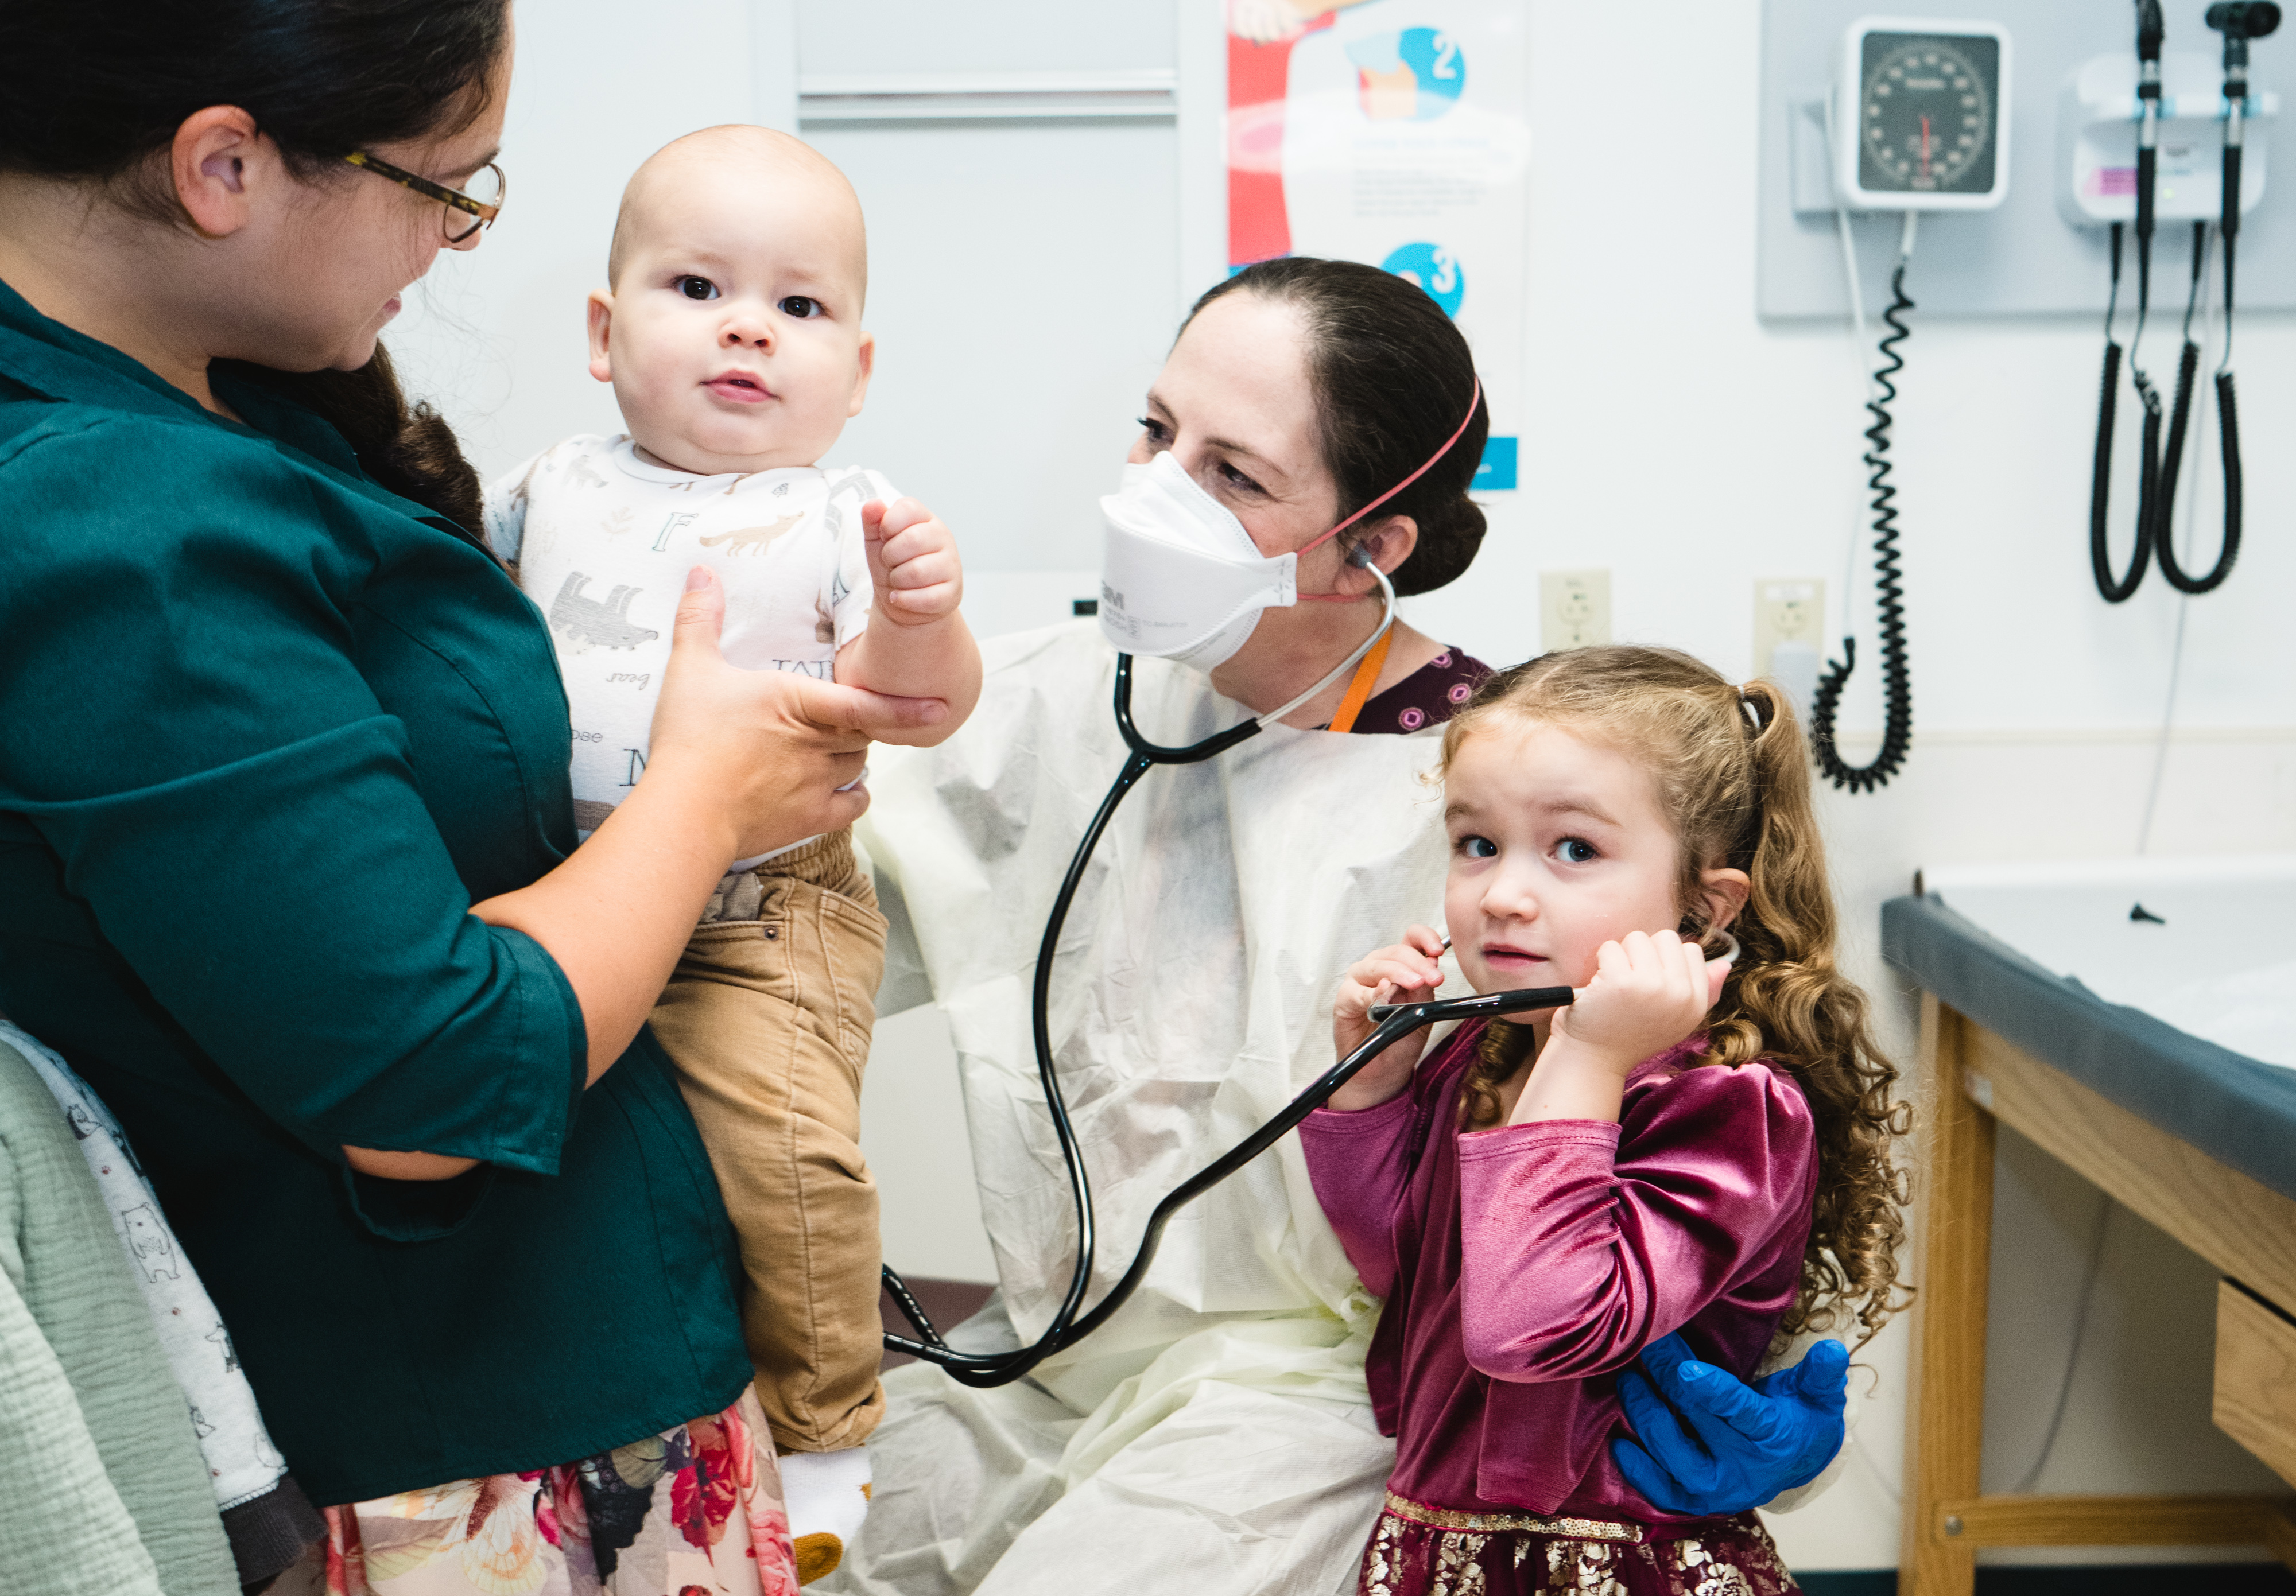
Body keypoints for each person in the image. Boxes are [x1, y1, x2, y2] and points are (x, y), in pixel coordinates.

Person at [0, 5, 940, 1593]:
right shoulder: (113, 526)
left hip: (585, 1335)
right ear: (222, 165)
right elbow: (424, 1083)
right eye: (450, 184)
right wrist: (703, 799)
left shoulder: (230, 394)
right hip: (458, 1429)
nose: (452, 241)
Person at [825, 258, 1853, 1596]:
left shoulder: (1493, 804)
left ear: (1369, 543)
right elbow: (808, 913)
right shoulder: (1053, 698)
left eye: (1232, 475)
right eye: (1155, 430)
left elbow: (1654, 1156)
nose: (1154, 492)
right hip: (1046, 1359)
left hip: (1324, 1404)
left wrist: (1744, 1380)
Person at [486, 123, 982, 1582]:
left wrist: (917, 608)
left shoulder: (841, 513)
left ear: (857, 370)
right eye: (696, 286)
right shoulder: (542, 486)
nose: (748, 327)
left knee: (781, 1151)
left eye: (801, 307)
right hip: (575, 885)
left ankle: (831, 1433)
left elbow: (926, 705)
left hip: (765, 908)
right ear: (602, 329)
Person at [1307, 648, 1909, 1595]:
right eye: (1477, 844)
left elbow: (1530, 1324)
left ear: (1703, 910)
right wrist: (1374, 1096)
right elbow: (1401, 1266)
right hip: (1443, 1551)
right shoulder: (1490, 1051)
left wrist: (1589, 1057)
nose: (1503, 892)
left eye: (1574, 849)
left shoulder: (1725, 1104)